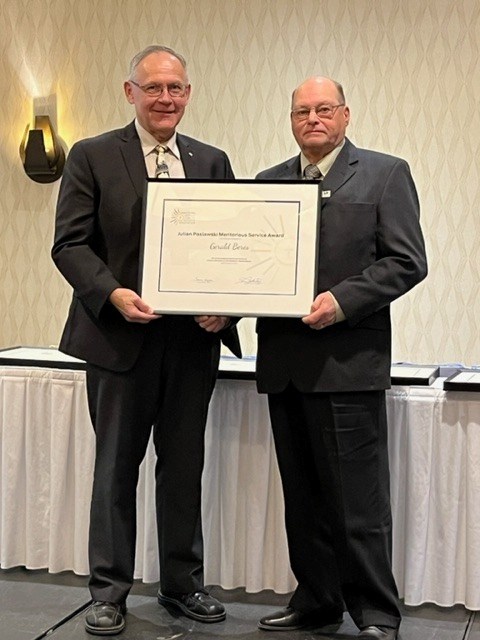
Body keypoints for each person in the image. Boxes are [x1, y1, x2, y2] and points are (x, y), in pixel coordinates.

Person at [52, 45, 241, 636]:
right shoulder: (91, 155)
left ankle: (183, 586)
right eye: (154, 88)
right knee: (115, 470)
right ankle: (109, 591)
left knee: (184, 467)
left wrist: (225, 310)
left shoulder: (212, 161)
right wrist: (112, 295)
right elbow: (70, 245)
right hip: (117, 342)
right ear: (130, 92)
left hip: (191, 345)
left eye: (177, 88)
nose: (167, 99)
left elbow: (232, 251)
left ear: (189, 94)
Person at [255, 77, 427, 640]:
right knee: (302, 500)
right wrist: (222, 309)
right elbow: (251, 269)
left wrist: (342, 301)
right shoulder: (268, 183)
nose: (312, 119)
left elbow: (406, 261)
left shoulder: (385, 173)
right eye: (301, 110)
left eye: (323, 108)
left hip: (349, 364)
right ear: (291, 119)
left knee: (359, 502)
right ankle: (317, 601)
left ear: (346, 115)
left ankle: (377, 612)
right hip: (283, 365)